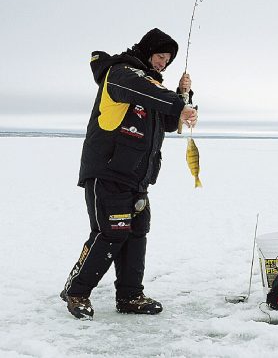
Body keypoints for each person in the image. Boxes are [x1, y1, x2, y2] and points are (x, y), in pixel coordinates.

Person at [60, 28, 198, 319]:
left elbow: (170, 123)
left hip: (137, 178)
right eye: (160, 55)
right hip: (108, 172)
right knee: (110, 233)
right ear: (147, 52)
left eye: (168, 59)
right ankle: (76, 292)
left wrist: (183, 96)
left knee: (136, 233)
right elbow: (144, 90)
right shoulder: (120, 73)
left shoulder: (150, 86)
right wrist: (176, 102)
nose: (163, 62)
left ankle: (130, 296)